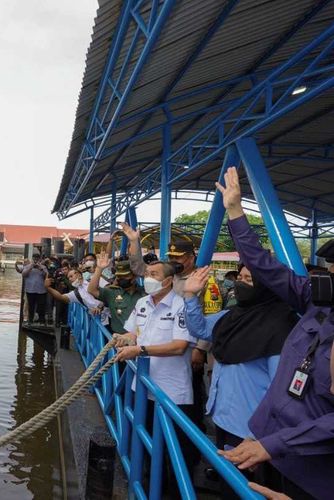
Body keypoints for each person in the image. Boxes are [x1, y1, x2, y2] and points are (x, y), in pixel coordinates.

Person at [214, 166, 334, 500]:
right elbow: (264, 266)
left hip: (315, 479)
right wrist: (236, 211)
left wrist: (272, 444)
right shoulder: (318, 302)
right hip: (272, 453)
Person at [183, 265, 297, 498]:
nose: (241, 284)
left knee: (247, 489)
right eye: (241, 277)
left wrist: (260, 435)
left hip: (252, 431)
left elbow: (279, 388)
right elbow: (201, 328)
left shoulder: (281, 327)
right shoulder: (232, 316)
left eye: (250, 280)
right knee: (229, 485)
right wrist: (190, 295)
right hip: (223, 417)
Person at [122, 223, 212, 432]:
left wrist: (200, 349)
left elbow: (208, 315)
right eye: (171, 255)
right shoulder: (163, 276)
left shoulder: (203, 279)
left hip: (189, 345)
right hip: (160, 345)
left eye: (178, 256)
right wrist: (135, 242)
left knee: (189, 400)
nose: (174, 260)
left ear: (190, 257)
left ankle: (193, 445)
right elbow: (138, 267)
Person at [114, 261, 199, 474]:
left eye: (154, 274)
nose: (148, 278)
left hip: (170, 391)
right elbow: (134, 333)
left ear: (168, 281)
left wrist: (139, 350)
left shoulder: (182, 306)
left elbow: (179, 347)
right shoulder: (143, 302)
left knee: (173, 452)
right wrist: (124, 338)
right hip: (142, 386)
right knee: (145, 441)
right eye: (147, 274)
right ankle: (146, 483)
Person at [88, 254, 145, 334]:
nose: (121, 279)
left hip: (141, 339)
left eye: (125, 276)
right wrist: (99, 268)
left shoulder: (145, 293)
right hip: (119, 339)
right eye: (119, 276)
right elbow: (92, 290)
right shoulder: (112, 292)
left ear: (134, 277)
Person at [22, 254, 48, 323]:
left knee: (41, 306)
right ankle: (30, 321)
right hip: (30, 290)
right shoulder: (27, 266)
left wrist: (41, 269)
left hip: (41, 291)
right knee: (31, 306)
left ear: (39, 259)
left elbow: (47, 276)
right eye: (34, 259)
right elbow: (23, 274)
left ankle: (41, 321)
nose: (36, 260)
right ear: (32, 259)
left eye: (37, 259)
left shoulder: (43, 267)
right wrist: (30, 267)